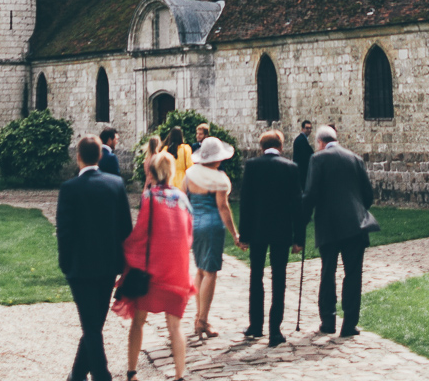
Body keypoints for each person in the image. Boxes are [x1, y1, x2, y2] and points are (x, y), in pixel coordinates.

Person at [58, 135, 132, 381]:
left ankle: (102, 375)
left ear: (78, 157)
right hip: (108, 265)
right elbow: (125, 229)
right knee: (94, 324)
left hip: (80, 267)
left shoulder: (69, 189)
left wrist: (65, 264)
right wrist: (124, 263)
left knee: (91, 326)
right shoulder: (115, 184)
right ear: (100, 156)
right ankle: (78, 374)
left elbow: (64, 232)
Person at [114, 152, 193, 381]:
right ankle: (179, 375)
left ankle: (132, 372)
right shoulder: (182, 198)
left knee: (138, 322)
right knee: (175, 326)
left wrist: (127, 250)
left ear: (153, 171)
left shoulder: (149, 197)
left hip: (151, 272)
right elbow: (188, 234)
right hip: (176, 271)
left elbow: (141, 232)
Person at [299, 125, 378, 337]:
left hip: (328, 224)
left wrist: (303, 220)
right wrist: (357, 210)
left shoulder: (317, 159)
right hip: (355, 225)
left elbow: (310, 194)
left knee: (328, 272)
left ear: (320, 142)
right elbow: (368, 195)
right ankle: (349, 324)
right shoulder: (355, 158)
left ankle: (328, 321)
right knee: (353, 274)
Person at [238, 130, 304, 346]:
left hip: (257, 230)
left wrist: (244, 235)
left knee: (256, 276)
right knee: (279, 279)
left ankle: (256, 325)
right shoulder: (291, 167)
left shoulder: (252, 166)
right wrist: (299, 238)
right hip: (281, 231)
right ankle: (275, 330)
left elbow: (246, 202)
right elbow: (297, 205)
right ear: (281, 147)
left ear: (261, 147)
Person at [182, 135, 240, 340]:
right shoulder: (219, 178)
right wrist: (234, 233)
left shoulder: (189, 174)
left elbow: (183, 200)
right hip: (212, 226)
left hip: (194, 225)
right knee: (210, 273)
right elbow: (223, 207)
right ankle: (203, 320)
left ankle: (198, 316)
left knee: (200, 270)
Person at [291, 121, 314, 187]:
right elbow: (304, 156)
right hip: (302, 170)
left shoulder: (302, 139)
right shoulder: (301, 140)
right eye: (307, 128)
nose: (309, 130)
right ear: (302, 129)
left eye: (310, 128)